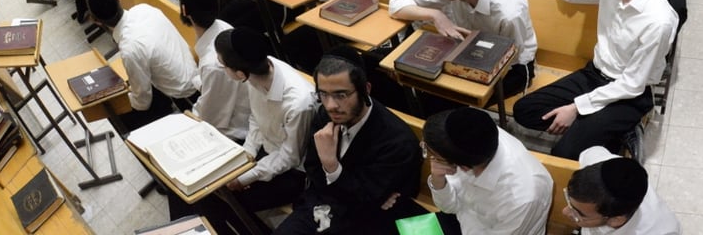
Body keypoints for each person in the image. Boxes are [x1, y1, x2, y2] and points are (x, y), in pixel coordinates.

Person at [514, 0, 679, 159]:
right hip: (594, 76)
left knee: (564, 152)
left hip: (628, 94)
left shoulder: (658, 20)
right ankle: (603, 131)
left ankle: (617, 128)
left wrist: (576, 108)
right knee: (525, 111)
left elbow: (632, 84)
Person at [272, 50, 426, 235]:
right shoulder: (325, 116)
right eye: (323, 94)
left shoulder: (396, 141)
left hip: (366, 221)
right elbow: (313, 169)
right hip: (321, 206)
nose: (330, 105)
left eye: (341, 95)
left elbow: (366, 201)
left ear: (365, 90)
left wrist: (331, 166)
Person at [388, 0, 537, 97]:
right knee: (420, 86)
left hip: (512, 66)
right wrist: (435, 15)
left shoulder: (509, 13)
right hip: (466, 51)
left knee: (451, 97)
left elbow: (510, 57)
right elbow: (396, 4)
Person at [205, 27, 315, 230]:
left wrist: (247, 176)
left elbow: (290, 157)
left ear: (238, 73)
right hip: (266, 153)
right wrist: (246, 156)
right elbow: (255, 118)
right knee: (210, 190)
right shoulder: (253, 73)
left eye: (222, 65)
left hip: (294, 172)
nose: (220, 68)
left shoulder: (298, 103)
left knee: (225, 203)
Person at [422, 107, 553, 235]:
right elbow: (449, 207)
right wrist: (439, 181)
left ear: (463, 167)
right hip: (463, 220)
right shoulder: (467, 142)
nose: (432, 159)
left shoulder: (521, 198)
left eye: (435, 156)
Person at [84, 0, 196, 132]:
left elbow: (143, 103)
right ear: (118, 0)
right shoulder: (143, 9)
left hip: (186, 98)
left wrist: (122, 98)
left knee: (114, 112)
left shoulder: (129, 49)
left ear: (96, 21)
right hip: (191, 72)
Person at [178, 0, 250, 140]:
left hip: (238, 133)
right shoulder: (222, 26)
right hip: (231, 111)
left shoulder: (213, 64)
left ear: (184, 10)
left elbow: (208, 118)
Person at [564, 146, 681, 234]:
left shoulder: (660, 231)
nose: (564, 212)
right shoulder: (597, 160)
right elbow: (591, 152)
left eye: (577, 214)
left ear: (616, 220)